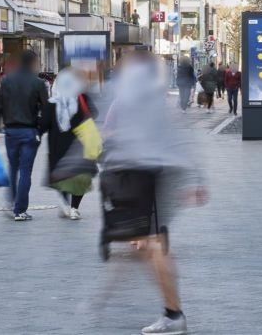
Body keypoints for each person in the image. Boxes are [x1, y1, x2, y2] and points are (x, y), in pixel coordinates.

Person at [100, 51, 207, 335]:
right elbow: (179, 136)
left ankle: (173, 314)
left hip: (143, 175)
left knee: (152, 243)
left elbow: (109, 134)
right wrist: (197, 178)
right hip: (160, 173)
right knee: (150, 241)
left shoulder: (126, 96)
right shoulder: (157, 97)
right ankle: (171, 311)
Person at [0, 50, 49, 222]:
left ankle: (11, 202)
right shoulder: (38, 83)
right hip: (30, 132)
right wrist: (41, 131)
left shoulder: (6, 81)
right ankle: (20, 210)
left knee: (13, 167)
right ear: (33, 63)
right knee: (25, 171)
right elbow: (47, 110)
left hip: (11, 132)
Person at [39, 69, 98, 221]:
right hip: (79, 148)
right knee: (80, 179)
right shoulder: (81, 98)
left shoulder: (52, 104)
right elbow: (94, 113)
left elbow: (43, 125)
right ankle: (74, 208)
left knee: (61, 178)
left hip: (58, 149)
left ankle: (65, 204)